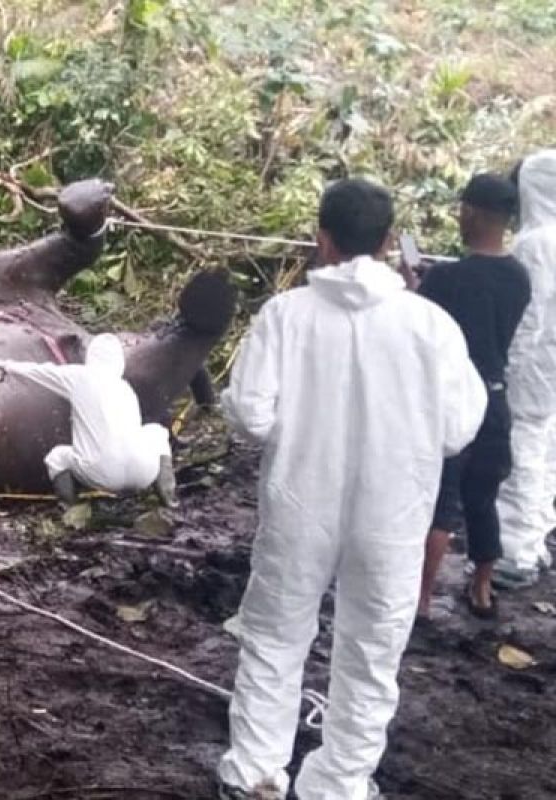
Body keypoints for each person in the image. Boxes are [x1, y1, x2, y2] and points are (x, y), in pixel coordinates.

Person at [216, 179, 486, 800]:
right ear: (391, 242)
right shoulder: (431, 326)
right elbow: (459, 427)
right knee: (371, 650)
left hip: (298, 505)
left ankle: (256, 772)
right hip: (393, 515)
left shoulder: (285, 315)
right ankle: (338, 783)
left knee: (276, 633)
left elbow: (252, 415)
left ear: (322, 238)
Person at [415, 174, 531, 619]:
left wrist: (414, 287)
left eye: (463, 208)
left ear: (477, 214)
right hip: (496, 396)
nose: (459, 216)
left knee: (442, 501)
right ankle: (482, 589)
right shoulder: (518, 276)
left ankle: (422, 598)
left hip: (454, 398)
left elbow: (425, 322)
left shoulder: (447, 278)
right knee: (483, 496)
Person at [0, 333, 175, 505]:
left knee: (57, 457)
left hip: (104, 475)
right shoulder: (125, 388)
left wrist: (4, 365)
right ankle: (167, 495)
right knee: (157, 432)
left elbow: (40, 372)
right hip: (144, 474)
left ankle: (70, 506)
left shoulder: (80, 376)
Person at [493, 150, 556, 589]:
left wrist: (507, 362)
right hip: (550, 363)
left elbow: (527, 315)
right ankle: (536, 534)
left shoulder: (535, 244)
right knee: (546, 446)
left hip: (534, 363)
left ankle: (516, 551)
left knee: (522, 449)